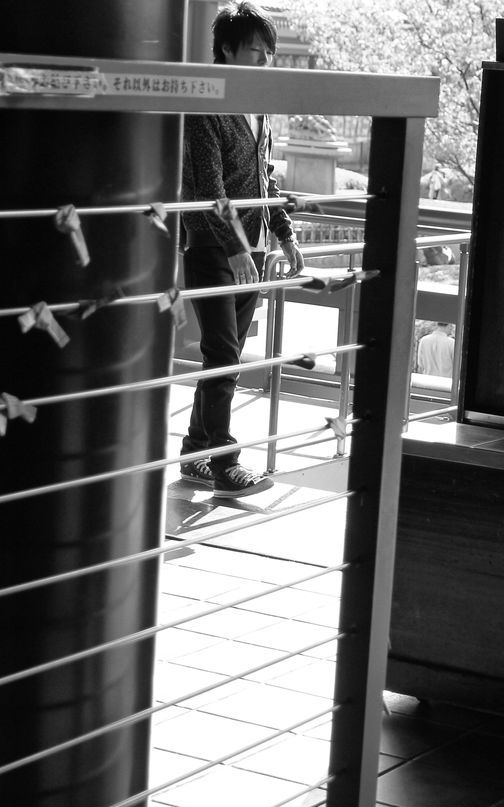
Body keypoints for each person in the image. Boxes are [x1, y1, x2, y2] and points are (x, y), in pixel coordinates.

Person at [178, 0, 304, 498]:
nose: (264, 62)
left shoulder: (259, 101)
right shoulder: (207, 102)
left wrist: (285, 232)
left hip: (251, 248)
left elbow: (264, 175)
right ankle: (225, 462)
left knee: (222, 357)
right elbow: (210, 186)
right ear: (227, 50)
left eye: (268, 54)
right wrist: (233, 247)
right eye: (255, 52)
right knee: (224, 355)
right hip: (212, 247)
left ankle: (194, 451)